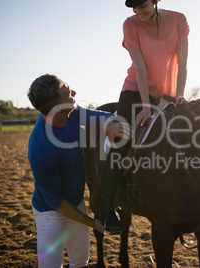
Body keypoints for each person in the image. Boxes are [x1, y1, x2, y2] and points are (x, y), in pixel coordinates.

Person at [99, 0, 189, 233]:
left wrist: (179, 95)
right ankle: (107, 208)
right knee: (123, 138)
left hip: (168, 94)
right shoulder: (130, 24)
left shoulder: (179, 20)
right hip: (134, 91)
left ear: (156, 1)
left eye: (143, 6)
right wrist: (146, 106)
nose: (138, 12)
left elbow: (183, 63)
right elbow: (139, 66)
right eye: (134, 8)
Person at [27, 74, 132, 268]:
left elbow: (102, 115)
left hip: (76, 203)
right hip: (51, 213)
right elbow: (56, 201)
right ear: (56, 105)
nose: (74, 92)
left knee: (80, 262)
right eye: (68, 91)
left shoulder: (71, 113)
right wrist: (91, 222)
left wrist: (110, 124)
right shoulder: (42, 147)